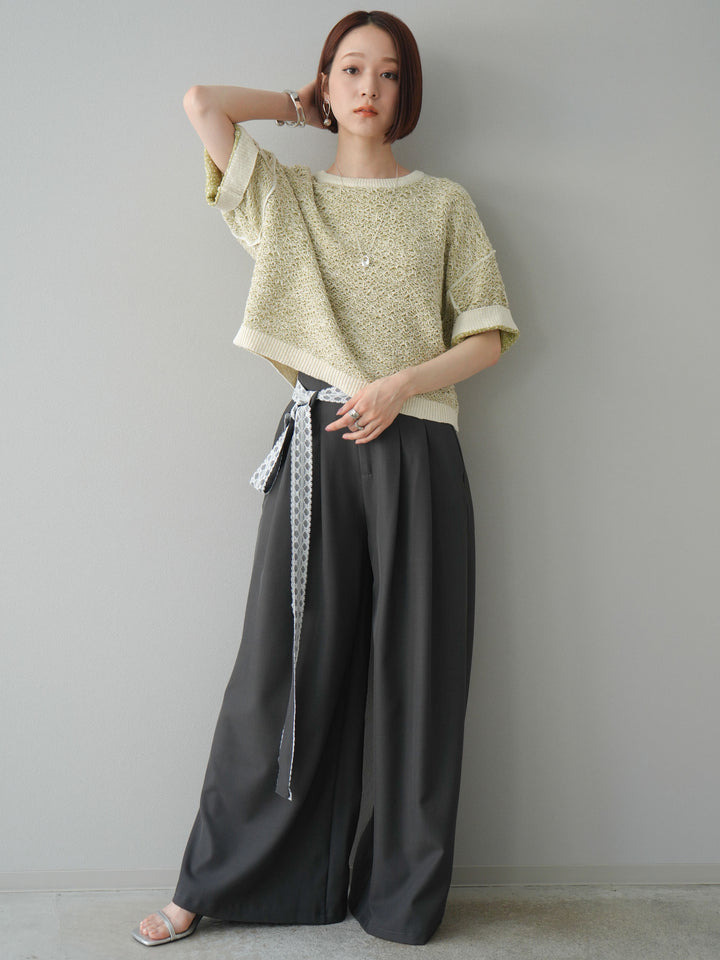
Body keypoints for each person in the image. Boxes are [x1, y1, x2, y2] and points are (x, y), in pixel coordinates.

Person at [132, 8, 519, 949]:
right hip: (317, 448)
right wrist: (290, 105)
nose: (368, 88)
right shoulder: (287, 196)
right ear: (326, 82)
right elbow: (202, 103)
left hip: (418, 446)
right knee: (280, 673)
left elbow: (487, 335)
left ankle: (399, 900)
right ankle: (215, 883)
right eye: (350, 69)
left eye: (388, 74)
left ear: (407, 92)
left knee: (419, 674)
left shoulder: (445, 204)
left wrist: (400, 386)